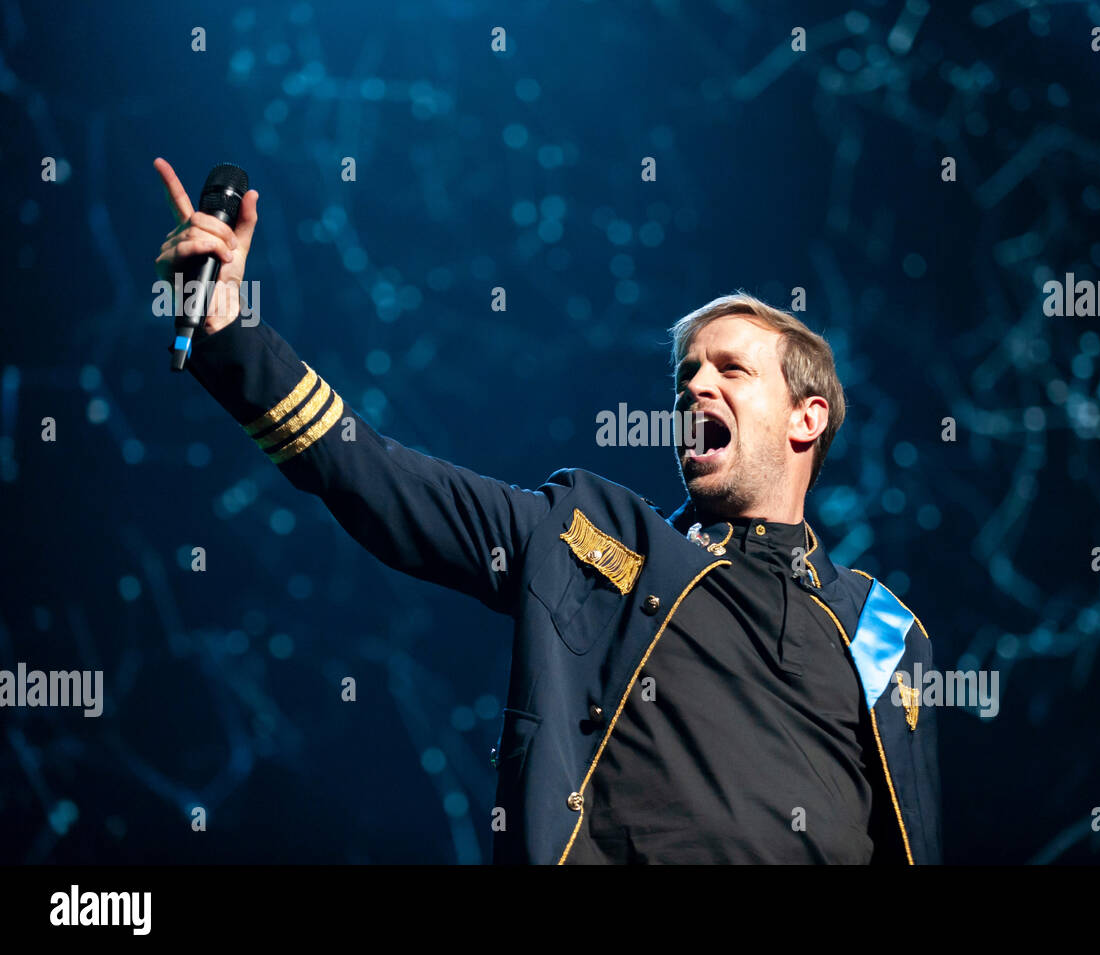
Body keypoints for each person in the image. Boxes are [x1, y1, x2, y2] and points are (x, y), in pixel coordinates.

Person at [152, 157, 941, 864]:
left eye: (731, 370)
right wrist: (229, 332)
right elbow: (378, 478)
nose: (696, 386)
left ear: (808, 419)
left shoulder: (881, 631)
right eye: (688, 374)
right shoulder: (596, 545)